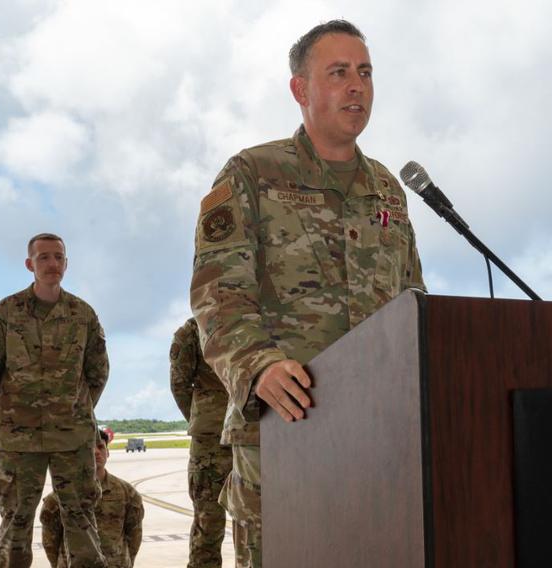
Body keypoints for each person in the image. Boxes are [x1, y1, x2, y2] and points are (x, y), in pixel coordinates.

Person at [190, 19, 425, 567]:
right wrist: (260, 366)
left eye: (365, 73)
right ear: (301, 89)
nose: (357, 86)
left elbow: (414, 299)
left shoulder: (387, 189)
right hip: (282, 429)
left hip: (379, 436)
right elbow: (217, 296)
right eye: (339, 72)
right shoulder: (253, 172)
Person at [0, 233, 109, 568]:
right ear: (29, 264)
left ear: (66, 264)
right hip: (20, 440)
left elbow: (97, 371)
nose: (52, 264)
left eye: (58, 257)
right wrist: (5, 418)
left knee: (81, 519)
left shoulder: (82, 314)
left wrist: (76, 411)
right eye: (44, 257)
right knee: (15, 520)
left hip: (72, 437)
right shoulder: (6, 312)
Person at [170, 317, 232, 567]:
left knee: (255, 522)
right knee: (208, 521)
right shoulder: (191, 332)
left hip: (252, 433)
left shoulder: (252, 319)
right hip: (210, 441)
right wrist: (206, 417)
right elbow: (180, 385)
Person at [40, 429, 144, 568]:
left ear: (107, 452)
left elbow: (134, 537)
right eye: (89, 447)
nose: (96, 452)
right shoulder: (61, 496)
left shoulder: (128, 494)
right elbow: (50, 542)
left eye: (101, 447)